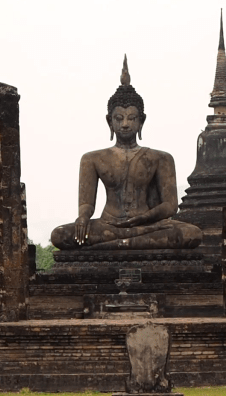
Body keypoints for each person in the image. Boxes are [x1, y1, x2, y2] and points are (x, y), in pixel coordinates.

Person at [50, 56, 203, 250]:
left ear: (141, 121)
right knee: (60, 235)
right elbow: (87, 204)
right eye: (119, 118)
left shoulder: (160, 158)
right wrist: (82, 218)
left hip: (149, 225)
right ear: (109, 121)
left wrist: (143, 218)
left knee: (192, 234)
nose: (125, 124)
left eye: (131, 118)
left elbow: (170, 206)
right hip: (108, 225)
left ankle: (115, 245)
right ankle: (126, 243)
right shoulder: (92, 159)